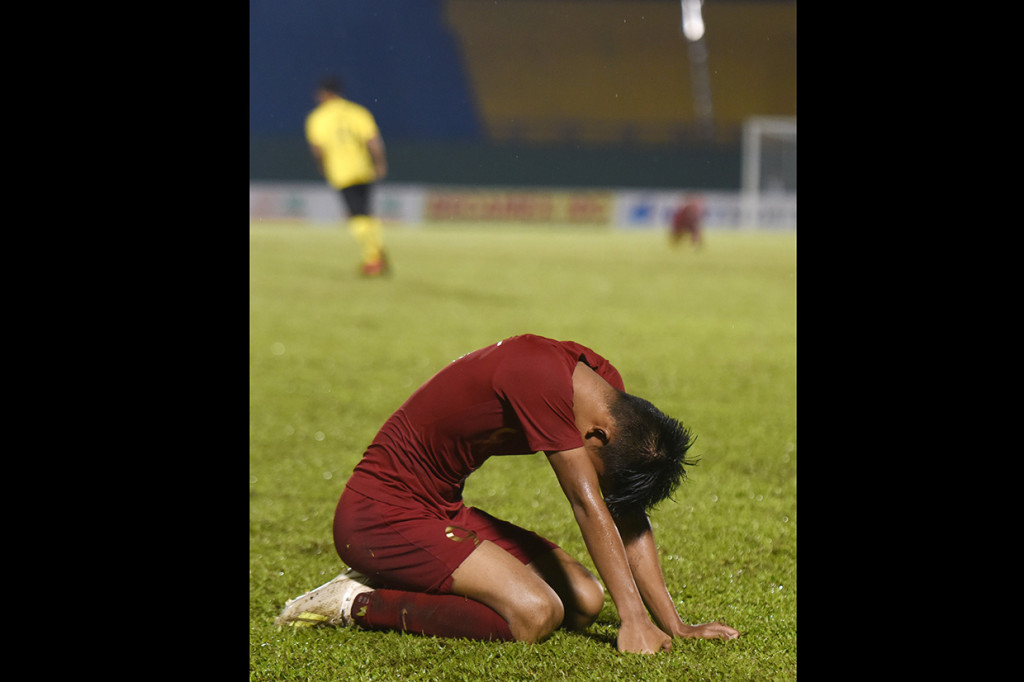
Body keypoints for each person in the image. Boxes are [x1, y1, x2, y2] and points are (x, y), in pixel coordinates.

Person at [275, 334, 739, 653]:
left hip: (441, 511)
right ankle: (353, 601)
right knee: (534, 615)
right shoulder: (541, 379)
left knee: (585, 603)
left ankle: (408, 574)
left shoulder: (602, 392)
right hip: (378, 515)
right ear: (598, 436)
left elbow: (624, 511)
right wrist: (633, 619)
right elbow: (586, 503)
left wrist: (672, 623)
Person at [306, 75, 390, 276]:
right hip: (363, 169)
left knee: (356, 215)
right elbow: (374, 141)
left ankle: (373, 258)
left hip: (342, 172)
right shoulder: (357, 112)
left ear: (325, 94)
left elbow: (317, 148)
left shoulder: (318, 117)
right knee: (366, 212)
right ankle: (376, 250)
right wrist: (379, 163)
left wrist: (322, 165)